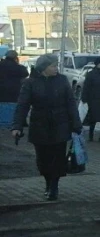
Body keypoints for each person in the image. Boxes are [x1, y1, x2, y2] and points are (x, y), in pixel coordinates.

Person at [10, 54, 82, 201]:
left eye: (56, 65)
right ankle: (48, 182)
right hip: (39, 126)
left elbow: (70, 103)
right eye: (53, 66)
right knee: (43, 160)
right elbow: (22, 105)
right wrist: (17, 126)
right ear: (44, 68)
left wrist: (76, 124)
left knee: (57, 159)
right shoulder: (30, 83)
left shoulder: (62, 80)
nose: (56, 68)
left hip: (60, 125)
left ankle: (54, 187)